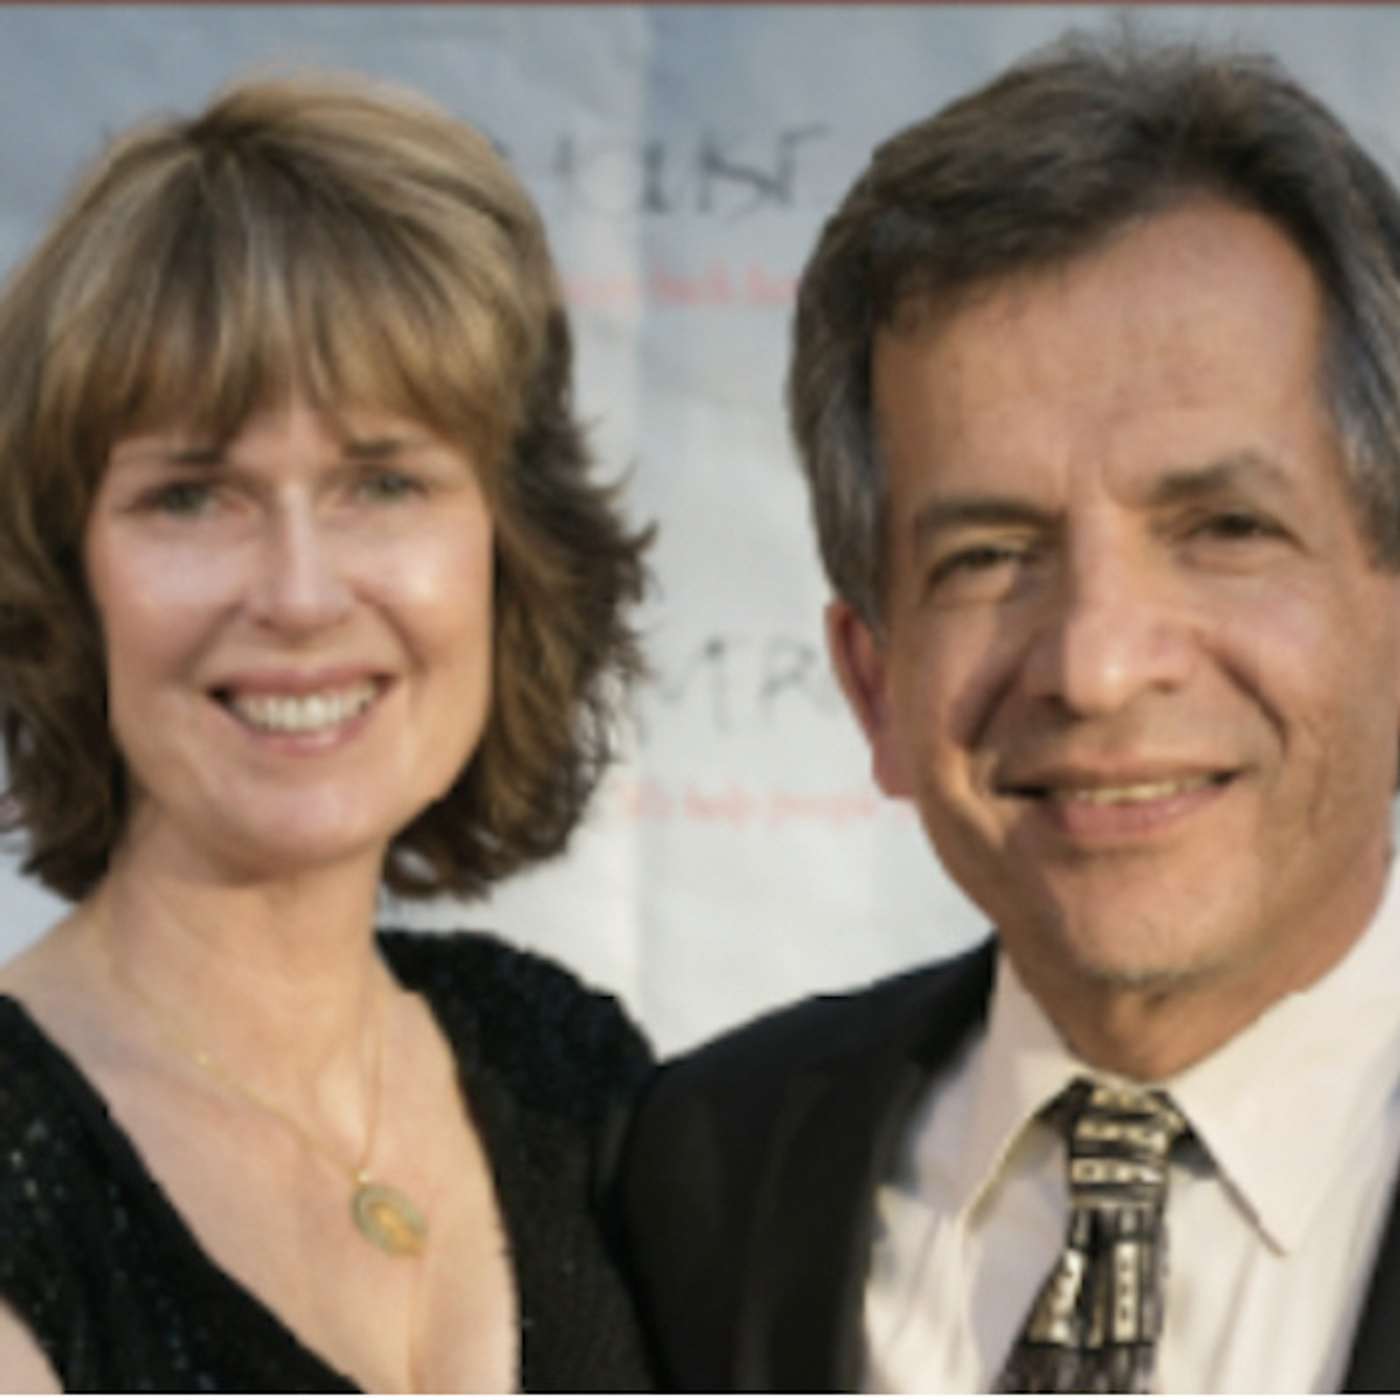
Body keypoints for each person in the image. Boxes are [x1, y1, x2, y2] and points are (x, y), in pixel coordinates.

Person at [619, 31, 1400, 1394]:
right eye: (988, 555)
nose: (1096, 667)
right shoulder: (695, 1173)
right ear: (874, 681)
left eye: (1224, 528)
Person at [0, 72, 655, 1392]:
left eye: (382, 482)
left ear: (509, 553)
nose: (299, 595)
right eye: (193, 497)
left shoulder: (562, 1066)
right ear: (68, 581)